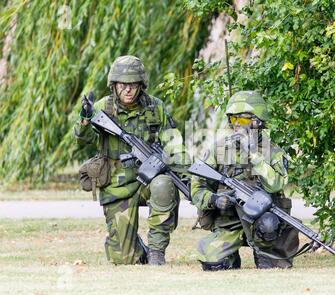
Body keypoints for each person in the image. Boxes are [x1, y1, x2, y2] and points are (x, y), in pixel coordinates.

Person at [74, 55, 187, 265]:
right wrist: (84, 120)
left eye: (133, 85)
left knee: (164, 184)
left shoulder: (156, 107)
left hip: (149, 181)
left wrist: (188, 176)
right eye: (123, 85)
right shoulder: (102, 108)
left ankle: (156, 252)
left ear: (140, 85)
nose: (128, 90)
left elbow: (175, 145)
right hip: (118, 185)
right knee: (124, 258)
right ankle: (138, 248)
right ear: (114, 85)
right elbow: (83, 142)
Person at [190, 90, 300, 271]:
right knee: (214, 264)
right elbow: (197, 187)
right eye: (233, 120)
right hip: (229, 221)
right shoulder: (218, 149)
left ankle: (264, 253)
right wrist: (214, 199)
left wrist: (254, 154)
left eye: (242, 120)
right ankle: (230, 256)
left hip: (264, 224)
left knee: (269, 232)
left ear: (257, 121)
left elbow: (275, 184)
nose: (236, 126)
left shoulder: (273, 152)